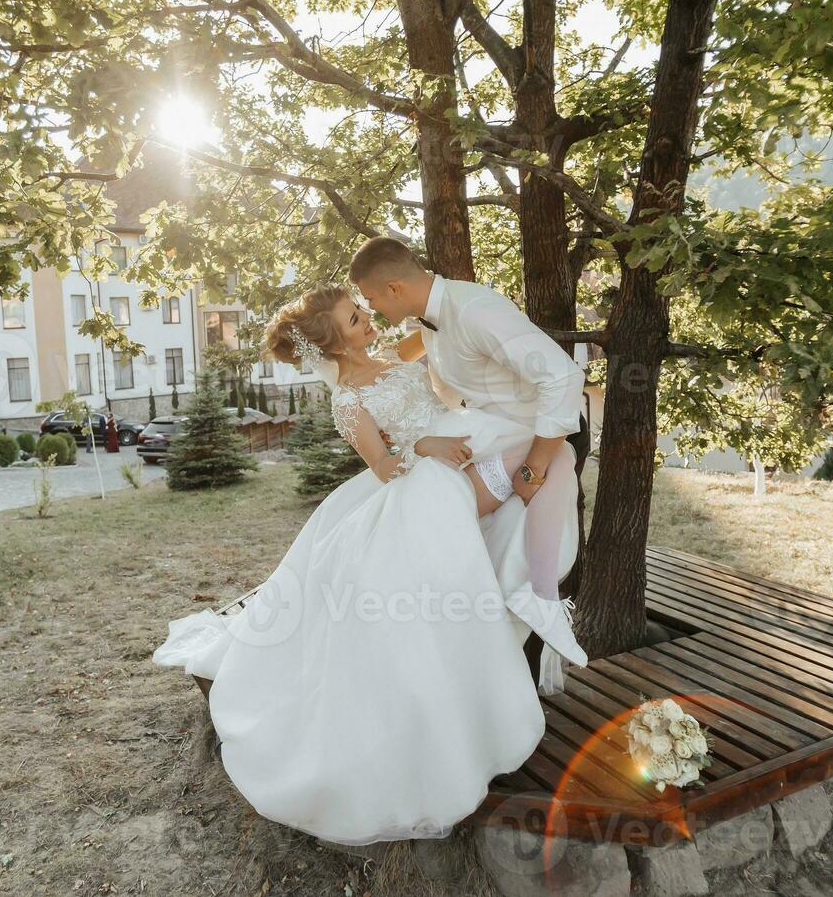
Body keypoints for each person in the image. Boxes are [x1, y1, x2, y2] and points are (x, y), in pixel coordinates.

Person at [151, 280, 586, 847]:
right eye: (356, 320)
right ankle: (510, 632)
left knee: (552, 451)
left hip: (467, 451)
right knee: (445, 577)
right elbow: (383, 467)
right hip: (422, 480)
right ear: (335, 346)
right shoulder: (349, 400)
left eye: (362, 312)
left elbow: (438, 337)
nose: (367, 322)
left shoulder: (393, 354)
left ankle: (539, 587)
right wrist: (425, 447)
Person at [348, 236, 590, 693]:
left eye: (372, 298)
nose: (371, 307)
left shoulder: (475, 308)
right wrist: (365, 391)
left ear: (395, 288)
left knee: (485, 551)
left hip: (530, 442)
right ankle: (460, 672)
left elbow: (563, 377)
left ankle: (502, 655)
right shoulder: (433, 319)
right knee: (455, 558)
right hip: (486, 440)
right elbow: (403, 356)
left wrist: (533, 469)